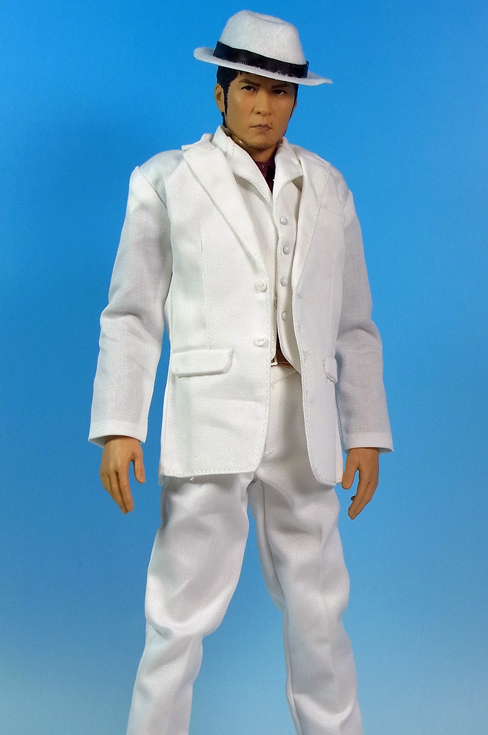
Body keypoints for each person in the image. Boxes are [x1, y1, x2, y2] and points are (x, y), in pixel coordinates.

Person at [89, 10, 393, 735]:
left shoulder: (328, 187)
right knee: (179, 612)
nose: (264, 106)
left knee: (320, 609)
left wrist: (365, 429)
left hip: (303, 421)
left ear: (296, 101)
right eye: (249, 88)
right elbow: (132, 313)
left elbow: (354, 322)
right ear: (220, 92)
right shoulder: (168, 180)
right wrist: (121, 424)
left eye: (280, 92)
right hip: (210, 414)